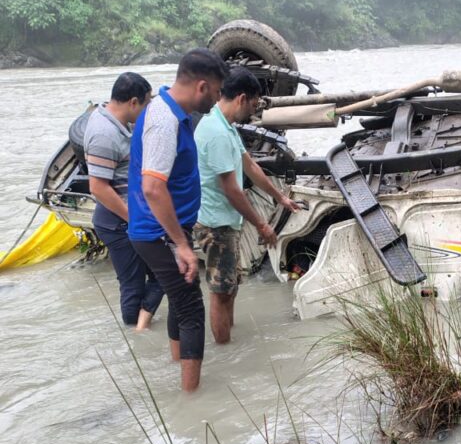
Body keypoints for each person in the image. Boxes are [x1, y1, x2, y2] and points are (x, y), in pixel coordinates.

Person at [128, 48, 228, 392]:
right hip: (159, 232)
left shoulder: (173, 113)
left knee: (179, 302)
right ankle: (190, 400)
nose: (217, 100)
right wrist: (181, 245)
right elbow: (153, 188)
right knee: (191, 308)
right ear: (202, 86)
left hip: (163, 230)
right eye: (217, 92)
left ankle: (177, 369)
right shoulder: (164, 120)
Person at [193, 67, 302, 344]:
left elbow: (250, 166)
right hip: (216, 224)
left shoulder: (226, 126)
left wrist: (281, 197)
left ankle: (230, 342)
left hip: (228, 222)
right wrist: (262, 225)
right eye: (253, 105)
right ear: (241, 98)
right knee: (221, 292)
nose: (253, 112)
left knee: (230, 287)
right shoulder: (216, 132)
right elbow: (231, 189)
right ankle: (224, 349)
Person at [84, 72, 162, 329]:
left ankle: (141, 326)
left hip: (128, 217)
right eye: (146, 103)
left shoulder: (118, 121)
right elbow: (98, 187)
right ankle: (135, 333)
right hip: (117, 221)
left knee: (162, 273)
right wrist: (134, 219)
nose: (148, 110)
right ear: (133, 102)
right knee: (134, 284)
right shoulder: (104, 133)